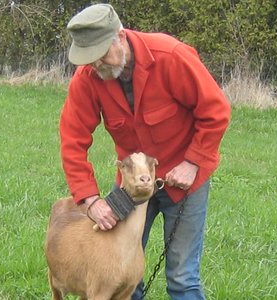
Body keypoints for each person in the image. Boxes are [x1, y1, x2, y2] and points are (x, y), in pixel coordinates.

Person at [59, 3, 231, 299]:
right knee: (123, 273)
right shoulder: (88, 78)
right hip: (130, 186)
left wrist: (193, 162)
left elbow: (216, 111)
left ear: (121, 36)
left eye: (101, 54)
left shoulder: (170, 56)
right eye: (90, 59)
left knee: (182, 277)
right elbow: (72, 139)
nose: (97, 65)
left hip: (184, 180)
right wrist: (89, 200)